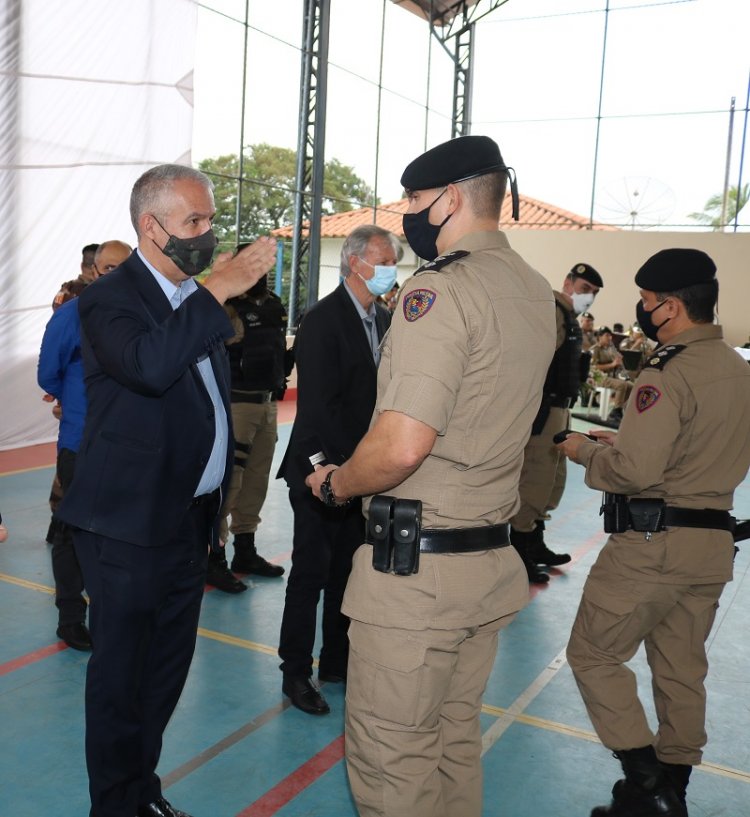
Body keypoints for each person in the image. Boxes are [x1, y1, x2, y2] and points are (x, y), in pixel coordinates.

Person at [306, 135, 555, 817]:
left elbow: (402, 444)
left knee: (394, 762)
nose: (409, 213)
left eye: (414, 199)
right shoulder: (534, 292)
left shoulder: (439, 293)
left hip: (419, 578)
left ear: (449, 199)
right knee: (451, 745)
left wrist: (336, 483)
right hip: (485, 561)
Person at [58, 164, 276, 817]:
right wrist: (220, 289)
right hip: (127, 522)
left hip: (188, 519)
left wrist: (208, 294)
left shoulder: (189, 298)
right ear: (151, 226)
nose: (207, 235)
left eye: (210, 221)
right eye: (194, 222)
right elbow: (149, 368)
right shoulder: (110, 298)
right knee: (122, 675)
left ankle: (139, 788)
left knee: (164, 670)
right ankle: (115, 805)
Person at [557, 248, 750, 817]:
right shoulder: (738, 369)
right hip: (712, 544)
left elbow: (635, 472)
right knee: (682, 670)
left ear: (668, 306)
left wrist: (585, 452)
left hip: (651, 545)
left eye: (645, 301)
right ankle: (674, 793)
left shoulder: (665, 372)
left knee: (592, 655)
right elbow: (701, 448)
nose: (642, 311)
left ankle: (647, 787)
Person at [276, 224, 398, 715]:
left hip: (361, 470)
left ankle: (336, 659)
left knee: (348, 571)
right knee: (310, 572)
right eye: (384, 260)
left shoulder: (385, 319)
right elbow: (321, 409)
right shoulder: (323, 319)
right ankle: (294, 671)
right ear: (355, 262)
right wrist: (342, 471)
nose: (391, 270)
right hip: (319, 468)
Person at [37, 240, 133, 650]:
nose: (114, 274)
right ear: (94, 270)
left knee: (119, 533)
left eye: (122, 267)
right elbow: (48, 373)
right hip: (80, 442)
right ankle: (71, 616)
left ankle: (112, 611)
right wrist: (76, 403)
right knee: (71, 533)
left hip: (129, 445)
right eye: (107, 267)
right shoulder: (73, 314)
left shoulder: (142, 315)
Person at [510, 262, 603, 584]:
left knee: (553, 481)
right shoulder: (552, 311)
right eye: (584, 289)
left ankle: (534, 542)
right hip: (544, 409)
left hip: (561, 409)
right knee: (535, 480)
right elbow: (534, 362)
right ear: (568, 283)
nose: (587, 297)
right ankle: (518, 550)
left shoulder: (569, 317)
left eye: (592, 293)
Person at [206, 259, 293, 593]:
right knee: (229, 485)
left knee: (256, 481)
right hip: (236, 404)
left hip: (267, 402)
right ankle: (214, 557)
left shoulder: (273, 304)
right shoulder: (226, 307)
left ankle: (245, 550)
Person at [590, 326, 633, 424]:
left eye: (610, 336)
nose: (610, 338)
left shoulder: (611, 349)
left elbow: (617, 365)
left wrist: (619, 362)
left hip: (610, 377)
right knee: (621, 385)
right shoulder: (595, 349)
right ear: (600, 337)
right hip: (598, 377)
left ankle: (618, 408)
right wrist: (612, 364)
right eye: (607, 335)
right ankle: (617, 410)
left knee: (631, 386)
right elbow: (593, 367)